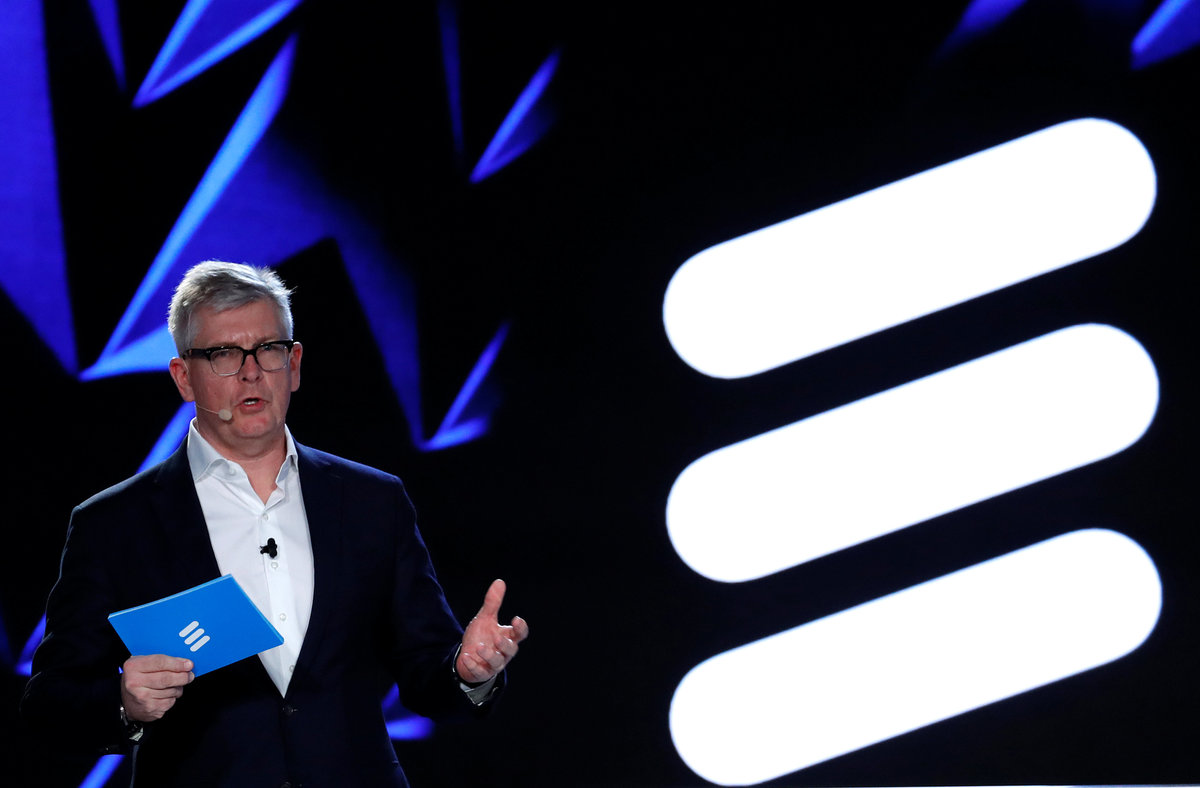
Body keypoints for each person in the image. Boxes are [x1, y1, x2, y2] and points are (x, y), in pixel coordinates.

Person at [22, 260, 528, 786]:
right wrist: (123, 702)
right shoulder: (113, 524)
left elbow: (426, 669)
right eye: (222, 354)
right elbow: (49, 703)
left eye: (268, 349)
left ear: (294, 364)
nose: (251, 372)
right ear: (183, 377)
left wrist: (467, 672)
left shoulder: (372, 501)